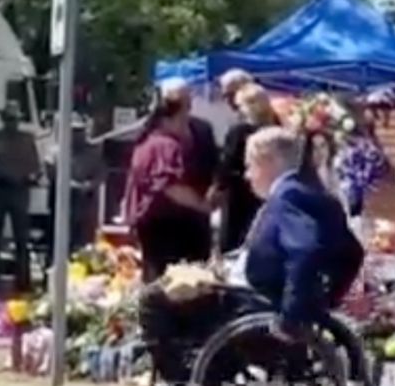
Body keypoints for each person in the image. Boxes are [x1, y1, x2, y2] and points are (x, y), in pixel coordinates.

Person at [243, 126, 365, 340]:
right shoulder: (316, 192)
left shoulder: (288, 194)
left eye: (250, 165)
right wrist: (329, 298)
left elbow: (305, 249)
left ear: (269, 161)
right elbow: (353, 252)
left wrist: (292, 313)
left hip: (260, 302)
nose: (247, 175)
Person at [123, 92, 213, 283]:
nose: (186, 125)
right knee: (173, 285)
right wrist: (203, 205)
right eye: (182, 119)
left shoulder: (146, 144)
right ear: (166, 120)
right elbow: (171, 186)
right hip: (168, 227)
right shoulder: (165, 146)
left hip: (150, 226)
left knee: (154, 282)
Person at [0, 100, 41, 291]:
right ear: (3, 120)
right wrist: (5, 174)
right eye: (8, 119)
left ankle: (23, 280)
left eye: (14, 119)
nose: (12, 123)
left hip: (19, 191)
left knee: (22, 237)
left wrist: (30, 176)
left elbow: (35, 166)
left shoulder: (27, 140)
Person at [216, 84, 277, 252]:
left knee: (235, 241)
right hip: (269, 191)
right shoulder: (275, 129)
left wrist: (218, 186)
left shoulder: (239, 131)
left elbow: (226, 164)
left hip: (240, 194)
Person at [44, 119, 104, 264]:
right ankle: (54, 268)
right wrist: (72, 185)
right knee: (59, 240)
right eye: (74, 131)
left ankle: (82, 267)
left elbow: (102, 172)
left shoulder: (93, 152)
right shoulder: (55, 152)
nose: (77, 135)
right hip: (62, 204)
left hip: (86, 204)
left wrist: (90, 184)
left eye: (80, 131)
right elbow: (51, 173)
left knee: (84, 242)